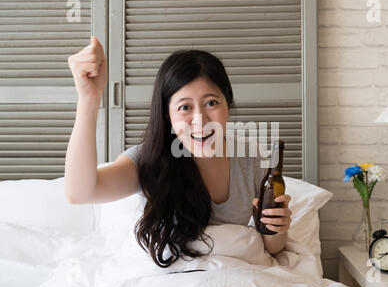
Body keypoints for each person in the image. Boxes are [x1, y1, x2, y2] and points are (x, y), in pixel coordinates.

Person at [64, 36, 292, 268]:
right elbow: (80, 193)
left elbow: (272, 247)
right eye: (185, 107)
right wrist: (88, 100)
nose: (200, 120)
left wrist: (278, 227)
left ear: (228, 104)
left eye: (211, 103)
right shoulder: (148, 160)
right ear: (167, 114)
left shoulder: (251, 157)